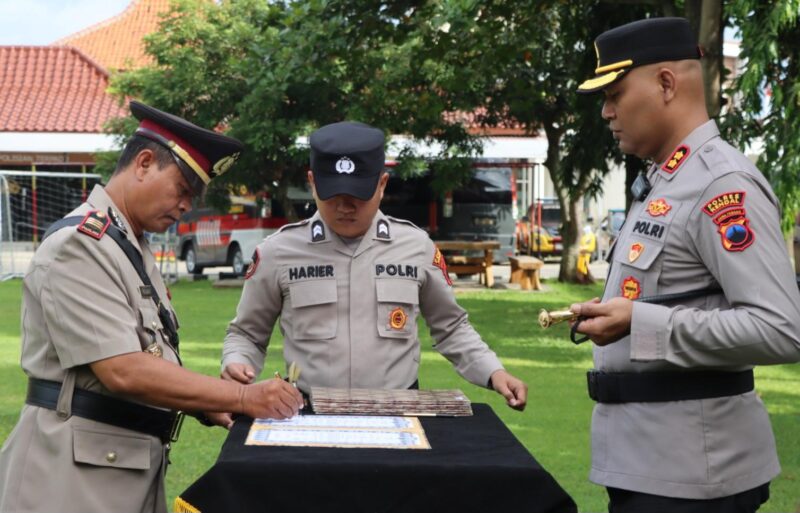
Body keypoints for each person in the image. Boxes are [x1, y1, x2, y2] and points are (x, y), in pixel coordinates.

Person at [0, 101, 303, 513]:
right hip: (70, 481)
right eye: (182, 189)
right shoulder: (81, 246)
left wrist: (206, 402)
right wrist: (242, 397)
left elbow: (153, 357)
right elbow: (123, 369)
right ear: (144, 163)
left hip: (119, 466)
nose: (185, 206)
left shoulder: (128, 247)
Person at [571, 17, 800, 512]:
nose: (606, 112)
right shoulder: (665, 179)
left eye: (614, 93)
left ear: (667, 83)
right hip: (651, 464)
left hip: (695, 476)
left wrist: (639, 321)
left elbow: (782, 328)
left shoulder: (722, 185)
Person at [216, 121, 527, 423]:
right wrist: (236, 363)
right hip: (309, 416)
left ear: (382, 184)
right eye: (332, 195)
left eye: (358, 195)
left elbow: (451, 327)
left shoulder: (416, 247)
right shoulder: (278, 251)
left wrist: (493, 372)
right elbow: (247, 334)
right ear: (312, 183)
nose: (345, 207)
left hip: (399, 416)